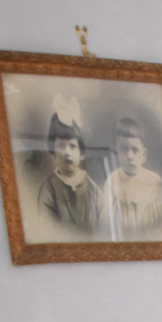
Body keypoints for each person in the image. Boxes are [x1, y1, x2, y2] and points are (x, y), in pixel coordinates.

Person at [37, 98, 103, 236]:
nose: (67, 152)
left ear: (81, 152)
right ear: (53, 151)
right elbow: (46, 229)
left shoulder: (93, 189)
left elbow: (103, 227)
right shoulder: (49, 189)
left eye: (72, 146)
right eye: (61, 146)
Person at [104, 115, 162, 239]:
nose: (129, 156)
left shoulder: (154, 181)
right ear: (117, 154)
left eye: (135, 150)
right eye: (124, 150)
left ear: (144, 155)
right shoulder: (112, 181)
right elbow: (106, 223)